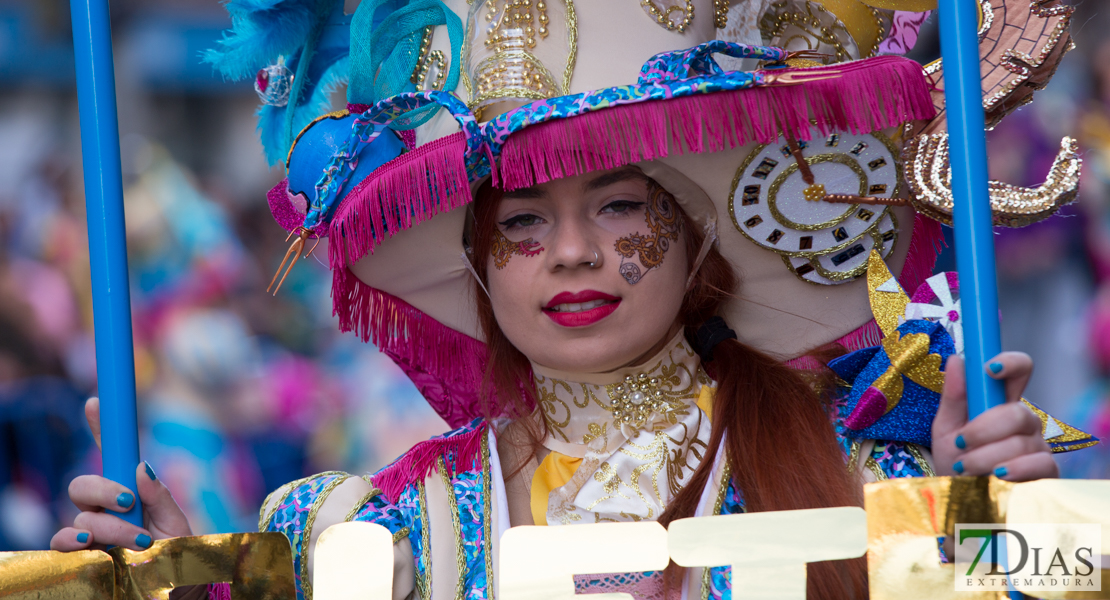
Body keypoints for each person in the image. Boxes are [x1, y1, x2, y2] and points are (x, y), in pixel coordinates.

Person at [51, 1, 1093, 599]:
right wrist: (177, 580)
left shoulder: (870, 470)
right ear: (477, 264)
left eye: (622, 204)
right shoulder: (385, 538)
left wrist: (986, 533)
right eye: (522, 222)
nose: (574, 252)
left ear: (699, 246)